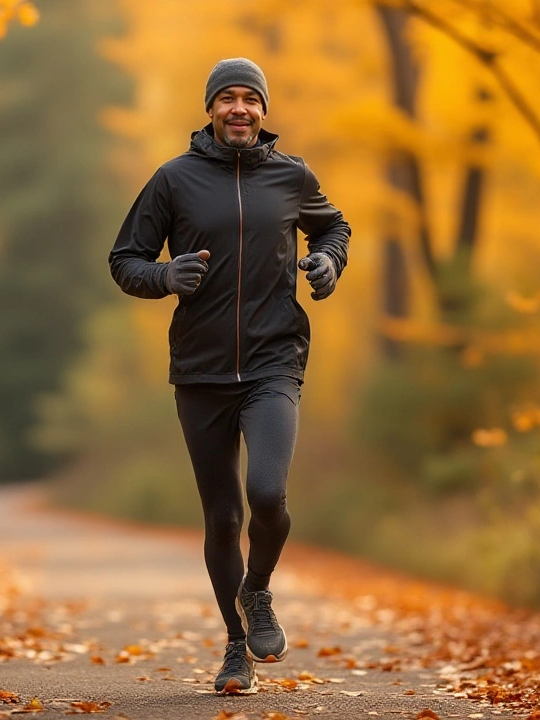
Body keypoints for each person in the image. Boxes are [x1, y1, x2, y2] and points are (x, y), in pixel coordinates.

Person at [108, 57, 351, 695]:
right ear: (210, 109)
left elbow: (335, 227)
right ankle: (235, 647)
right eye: (227, 99)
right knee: (222, 516)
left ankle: (259, 590)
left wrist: (327, 261)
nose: (239, 108)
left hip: (275, 360)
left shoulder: (292, 176)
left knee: (267, 495)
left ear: (263, 111)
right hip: (201, 370)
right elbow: (125, 259)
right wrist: (166, 276)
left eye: (250, 99)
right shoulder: (173, 180)